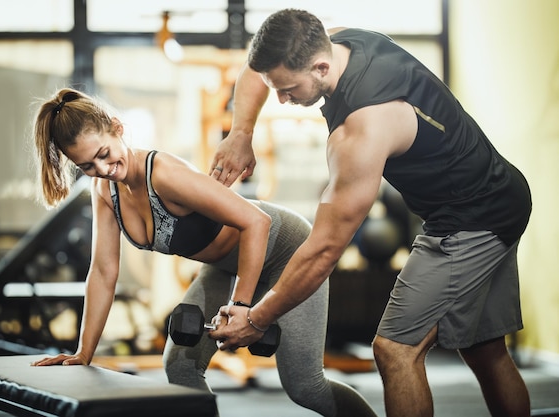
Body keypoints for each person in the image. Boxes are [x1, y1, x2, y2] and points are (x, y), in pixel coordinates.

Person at [209, 8, 533, 417]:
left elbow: (325, 249)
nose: (281, 99)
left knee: (396, 349)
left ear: (320, 66)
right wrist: (241, 133)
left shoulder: (360, 130)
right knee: (484, 349)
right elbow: (256, 71)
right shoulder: (342, 41)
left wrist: (256, 319)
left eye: (288, 89)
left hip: (471, 219)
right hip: (503, 192)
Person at [28, 87, 377, 417]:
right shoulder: (104, 191)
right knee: (180, 365)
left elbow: (256, 222)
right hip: (226, 266)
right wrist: (83, 352)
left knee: (305, 387)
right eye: (87, 165)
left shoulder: (164, 174)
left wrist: (241, 309)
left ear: (117, 129)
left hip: (287, 251)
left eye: (103, 154)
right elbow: (103, 271)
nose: (102, 169)